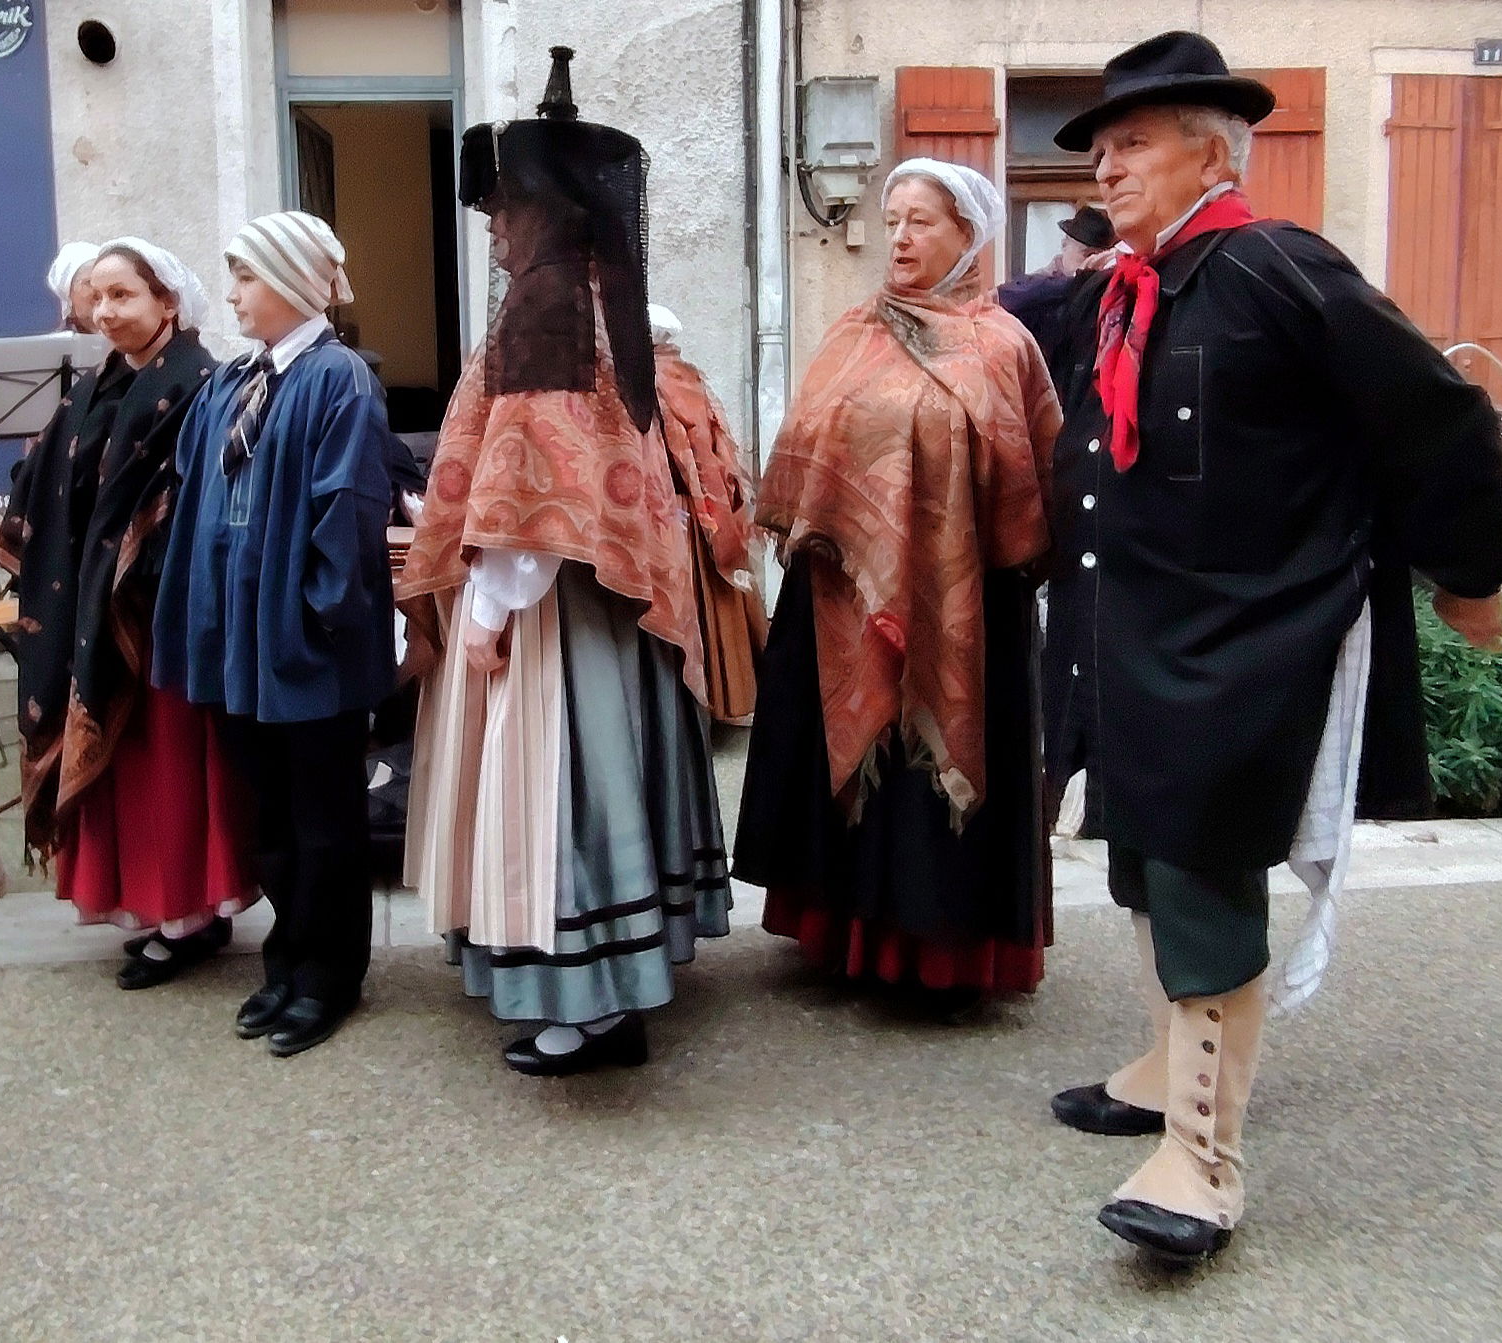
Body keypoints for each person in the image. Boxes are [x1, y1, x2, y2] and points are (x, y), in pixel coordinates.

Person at [1039, 31, 1502, 1262]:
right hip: (1129, 627)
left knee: (1204, 871)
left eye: (1132, 144)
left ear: (1212, 149)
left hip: (1240, 637)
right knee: (1144, 860)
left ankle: (1202, 1160)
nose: (1106, 169)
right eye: (1098, 150)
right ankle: (1164, 1068)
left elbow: (1435, 416)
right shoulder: (1123, 289)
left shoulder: (1276, 267)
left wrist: (1469, 570)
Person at [396, 49, 732, 1077]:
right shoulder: (594, 293)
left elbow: (535, 483)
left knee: (556, 794)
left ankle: (589, 1006)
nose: (493, 227)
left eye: (504, 207)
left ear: (547, 208)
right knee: (598, 778)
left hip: (549, 600)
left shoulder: (549, 301)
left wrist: (491, 609)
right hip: (594, 600)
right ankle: (617, 978)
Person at [733, 159, 1060, 1019]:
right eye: (894, 220)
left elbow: (1035, 467)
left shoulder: (1003, 343)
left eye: (922, 221)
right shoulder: (853, 328)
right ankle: (846, 934)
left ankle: (937, 953)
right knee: (852, 768)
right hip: (844, 593)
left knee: (925, 785)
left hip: (963, 601)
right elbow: (808, 442)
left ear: (969, 236)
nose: (901, 239)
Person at [152, 209, 397, 1057]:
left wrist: (321, 619)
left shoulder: (340, 380)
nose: (232, 295)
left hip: (303, 646)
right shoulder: (231, 383)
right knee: (271, 818)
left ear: (293, 281)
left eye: (246, 277)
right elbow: (193, 500)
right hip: (237, 641)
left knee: (325, 819)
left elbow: (349, 510)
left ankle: (331, 974)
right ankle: (287, 961)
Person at [1, 237, 254, 988]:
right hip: (94, 606)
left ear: (168, 303)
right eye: (98, 296)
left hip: (152, 617)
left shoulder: (202, 384)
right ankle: (144, 906)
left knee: (169, 771)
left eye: (124, 296)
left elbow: (198, 503)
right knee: (126, 776)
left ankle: (188, 915)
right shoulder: (96, 385)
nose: (105, 311)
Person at [647, 302, 765, 726]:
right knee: (717, 598)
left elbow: (660, 452)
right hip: (705, 509)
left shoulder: (650, 380)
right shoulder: (689, 376)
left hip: (674, 506)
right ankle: (725, 698)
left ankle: (688, 708)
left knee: (686, 604)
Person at [996, 204, 1114, 358]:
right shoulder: (1038, 284)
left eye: (1099, 257)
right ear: (1065, 245)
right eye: (1087, 254)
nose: (1093, 262)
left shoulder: (1106, 288)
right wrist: (1078, 283)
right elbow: (1000, 298)